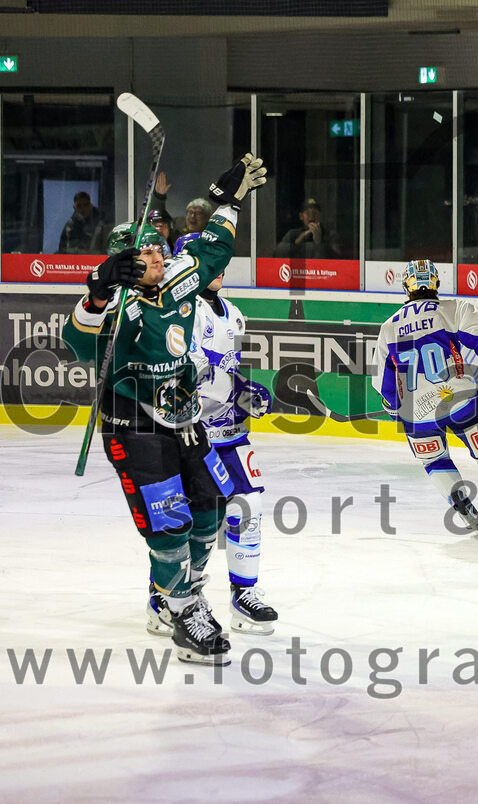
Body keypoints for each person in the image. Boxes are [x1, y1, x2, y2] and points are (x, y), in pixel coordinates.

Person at [61, 153, 267, 666]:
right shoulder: (114, 302)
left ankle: (182, 595)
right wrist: (100, 288)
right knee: (170, 523)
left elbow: (215, 251)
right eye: (144, 253)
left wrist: (227, 202)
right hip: (135, 430)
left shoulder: (177, 283)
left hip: (187, 422)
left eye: (158, 249)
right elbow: (77, 341)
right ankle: (184, 611)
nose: (156, 257)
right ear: (122, 261)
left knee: (210, 508)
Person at [372, 259, 478, 541]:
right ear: (436, 283)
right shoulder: (452, 309)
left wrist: (394, 408)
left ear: (407, 287)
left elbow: (385, 386)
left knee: (436, 461)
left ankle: (463, 508)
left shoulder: (388, 328)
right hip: (461, 401)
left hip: (417, 416)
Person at [183, 271, 278, 635]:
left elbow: (228, 368)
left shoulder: (233, 313)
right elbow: (191, 367)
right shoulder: (182, 310)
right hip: (192, 432)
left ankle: (244, 594)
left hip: (231, 432)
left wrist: (245, 394)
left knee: (247, 506)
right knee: (195, 517)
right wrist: (237, 388)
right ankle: (174, 596)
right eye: (212, 261)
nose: (220, 268)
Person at [273, 197, 343, 260]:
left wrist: (318, 241)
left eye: (315, 213)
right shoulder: (293, 234)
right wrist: (299, 239)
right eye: (308, 213)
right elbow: (278, 254)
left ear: (320, 215)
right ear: (301, 216)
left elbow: (337, 259)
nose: (312, 216)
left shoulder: (330, 235)